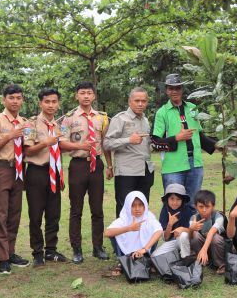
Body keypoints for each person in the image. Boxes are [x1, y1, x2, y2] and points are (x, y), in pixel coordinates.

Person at [59, 81, 113, 263]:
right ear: (77, 96)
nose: (86, 96)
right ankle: (77, 249)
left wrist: (109, 165)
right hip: (78, 165)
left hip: (96, 165)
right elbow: (61, 143)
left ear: (94, 96)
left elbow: (105, 143)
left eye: (89, 93)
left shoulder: (102, 118)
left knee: (97, 209)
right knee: (76, 209)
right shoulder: (69, 118)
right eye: (82, 93)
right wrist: (78, 145)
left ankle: (98, 247)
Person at [0, 84, 31, 274]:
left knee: (14, 214)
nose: (15, 101)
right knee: (0, 214)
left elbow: (28, 147)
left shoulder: (25, 122)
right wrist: (10, 136)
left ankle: (11, 252)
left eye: (18, 98)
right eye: (11, 97)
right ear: (4, 99)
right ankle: (2, 258)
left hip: (19, 171)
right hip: (0, 170)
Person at [151, 74, 215, 202]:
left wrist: (216, 145)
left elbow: (199, 135)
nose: (174, 91)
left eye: (177, 88)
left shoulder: (192, 108)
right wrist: (176, 138)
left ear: (182, 89)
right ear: (167, 90)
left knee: (194, 204)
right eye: (171, 88)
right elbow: (155, 142)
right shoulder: (162, 113)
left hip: (195, 164)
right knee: (174, 204)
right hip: (173, 166)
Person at [23, 88, 68, 266]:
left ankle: (51, 249)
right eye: (47, 102)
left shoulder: (58, 125)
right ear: (40, 103)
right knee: (35, 214)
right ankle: (37, 252)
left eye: (54, 102)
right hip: (37, 171)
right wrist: (45, 143)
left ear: (58, 104)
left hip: (54, 172)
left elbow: (61, 148)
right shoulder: (31, 124)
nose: (51, 105)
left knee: (53, 213)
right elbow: (27, 151)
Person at [103, 87, 155, 222]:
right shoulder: (120, 119)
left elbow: (147, 145)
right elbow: (107, 143)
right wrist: (128, 140)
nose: (140, 104)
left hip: (145, 170)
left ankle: (140, 238)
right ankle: (121, 240)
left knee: (142, 207)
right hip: (127, 171)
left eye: (143, 101)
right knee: (124, 207)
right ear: (129, 101)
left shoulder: (145, 120)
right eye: (137, 100)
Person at [105, 191, 163, 275]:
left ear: (145, 206)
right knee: (113, 233)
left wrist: (144, 249)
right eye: (133, 205)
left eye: (140, 205)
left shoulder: (149, 217)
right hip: (126, 253)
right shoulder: (124, 218)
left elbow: (159, 230)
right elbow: (107, 232)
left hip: (144, 252)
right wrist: (129, 228)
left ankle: (148, 261)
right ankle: (122, 261)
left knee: (155, 232)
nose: (137, 208)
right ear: (128, 206)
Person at [152, 184, 197, 261]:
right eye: (172, 199)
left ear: (182, 200)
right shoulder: (165, 210)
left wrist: (183, 229)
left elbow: (194, 234)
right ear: (167, 199)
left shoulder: (188, 211)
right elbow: (166, 238)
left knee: (182, 236)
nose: (175, 202)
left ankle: (186, 259)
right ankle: (177, 256)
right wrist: (170, 224)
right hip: (173, 241)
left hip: (187, 241)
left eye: (178, 199)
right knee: (154, 256)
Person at [191, 190, 227, 274]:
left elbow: (211, 232)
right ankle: (203, 260)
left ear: (213, 206)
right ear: (196, 207)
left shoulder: (219, 217)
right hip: (206, 247)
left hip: (219, 248)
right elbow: (190, 237)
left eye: (207, 206)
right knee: (194, 235)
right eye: (201, 206)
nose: (204, 210)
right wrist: (191, 229)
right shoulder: (194, 218)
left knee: (215, 237)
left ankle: (220, 264)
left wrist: (204, 249)